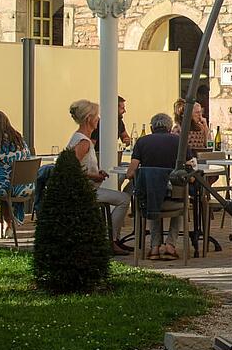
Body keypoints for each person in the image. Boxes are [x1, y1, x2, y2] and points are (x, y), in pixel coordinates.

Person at [66, 99, 132, 255]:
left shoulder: (81, 138)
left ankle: (110, 238)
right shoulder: (84, 142)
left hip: (86, 187)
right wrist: (93, 176)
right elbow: (71, 168)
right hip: (85, 190)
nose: (98, 119)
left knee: (123, 196)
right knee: (124, 199)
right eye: (96, 116)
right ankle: (111, 240)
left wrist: (96, 173)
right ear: (89, 119)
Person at [123, 113, 188, 261]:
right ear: (170, 128)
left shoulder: (142, 142)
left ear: (152, 128)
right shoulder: (179, 141)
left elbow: (131, 172)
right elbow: (190, 166)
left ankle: (154, 247)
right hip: (174, 199)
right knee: (180, 197)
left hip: (150, 200)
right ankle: (170, 245)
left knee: (152, 192)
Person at [0, 111, 32, 229]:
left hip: (7, 189)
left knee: (2, 185)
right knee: (5, 184)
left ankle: (1, 223)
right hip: (24, 187)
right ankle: (9, 226)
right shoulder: (20, 141)